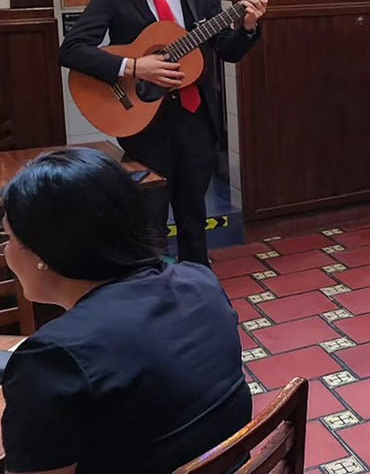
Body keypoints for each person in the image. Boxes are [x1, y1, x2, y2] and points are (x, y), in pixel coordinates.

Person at [0, 147, 250, 473]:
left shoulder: (51, 362)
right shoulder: (199, 282)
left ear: (43, 253)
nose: (6, 250)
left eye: (10, 237)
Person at [58, 0, 266, 265]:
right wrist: (135, 66)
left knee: (193, 215)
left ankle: (197, 285)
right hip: (142, 123)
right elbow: (71, 50)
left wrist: (247, 26)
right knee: (149, 218)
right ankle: (153, 292)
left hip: (195, 118)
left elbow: (226, 51)